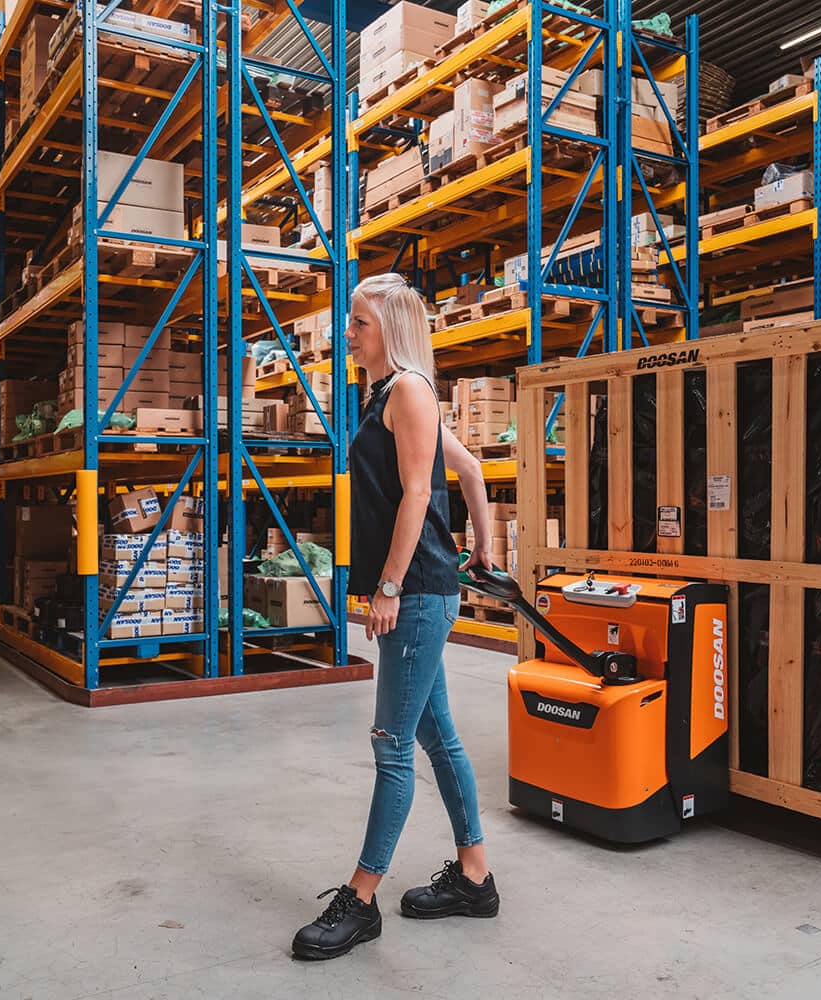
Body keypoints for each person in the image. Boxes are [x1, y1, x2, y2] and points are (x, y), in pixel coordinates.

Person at [291, 274, 500, 961]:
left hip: (414, 596)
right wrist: (482, 542)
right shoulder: (389, 394)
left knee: (392, 747)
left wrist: (387, 586)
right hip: (426, 588)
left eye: (357, 323)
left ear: (391, 331)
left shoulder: (408, 390)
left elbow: (417, 493)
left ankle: (362, 897)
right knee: (438, 739)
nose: (347, 333)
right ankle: (475, 878)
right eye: (349, 322)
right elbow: (469, 470)